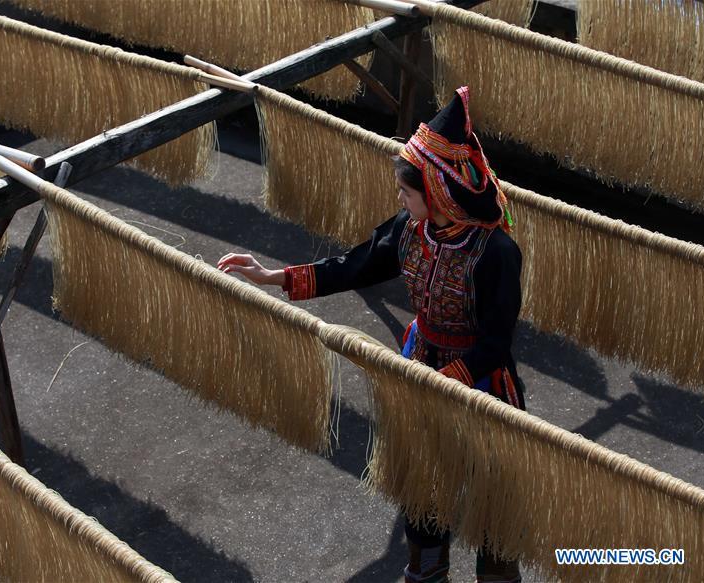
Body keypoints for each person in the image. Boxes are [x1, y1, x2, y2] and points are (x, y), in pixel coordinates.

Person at [218, 86, 525, 583]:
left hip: (481, 385)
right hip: (421, 368)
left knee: (491, 507)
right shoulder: (410, 230)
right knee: (423, 495)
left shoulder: (496, 254)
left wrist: (445, 380)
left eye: (406, 191)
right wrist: (273, 276)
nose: (400, 199)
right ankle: (427, 572)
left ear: (438, 192)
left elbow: (496, 342)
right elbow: (353, 265)